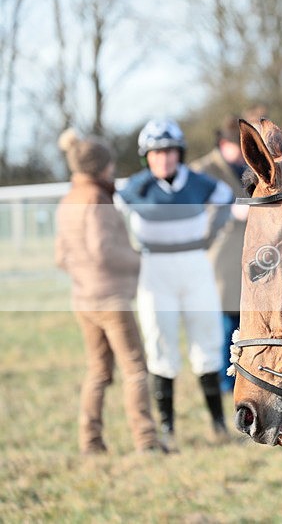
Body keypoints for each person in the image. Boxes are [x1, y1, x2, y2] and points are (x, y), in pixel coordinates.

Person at [117, 118, 234, 451]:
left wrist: (211, 234)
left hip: (195, 266)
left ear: (179, 153)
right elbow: (113, 214)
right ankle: (167, 428)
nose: (163, 159)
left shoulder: (196, 181)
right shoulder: (135, 187)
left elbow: (226, 197)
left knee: (207, 343)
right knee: (160, 344)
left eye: (169, 152)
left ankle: (218, 424)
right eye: (156, 153)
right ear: (146, 157)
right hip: (154, 270)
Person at [55, 129, 164, 454]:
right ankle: (146, 441)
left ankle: (90, 441)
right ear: (101, 167)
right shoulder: (97, 199)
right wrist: (139, 260)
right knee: (136, 370)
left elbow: (60, 256)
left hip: (82, 298)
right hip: (110, 300)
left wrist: (83, 276)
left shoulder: (69, 199)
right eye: (110, 164)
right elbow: (104, 250)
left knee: (98, 372)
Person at [189, 115, 250, 393]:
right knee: (224, 321)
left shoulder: (244, 167)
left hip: (245, 253)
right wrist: (230, 212)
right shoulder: (202, 170)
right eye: (238, 147)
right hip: (219, 255)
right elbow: (195, 212)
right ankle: (226, 381)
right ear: (224, 144)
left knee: (242, 319)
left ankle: (242, 375)